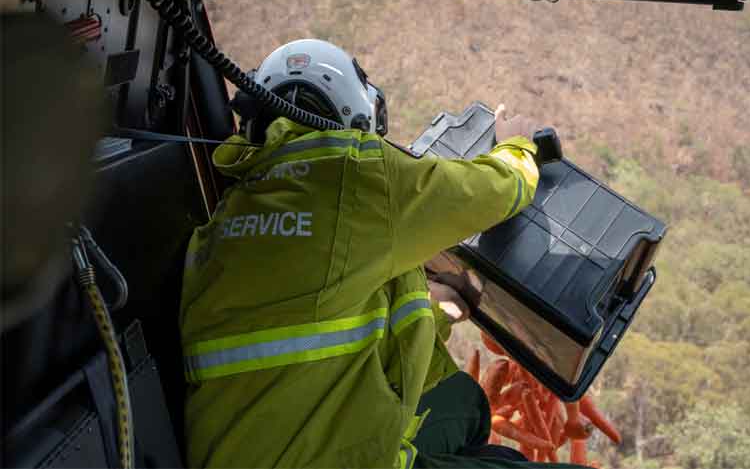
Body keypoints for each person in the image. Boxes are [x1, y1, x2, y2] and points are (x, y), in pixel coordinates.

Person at [180, 39, 587, 468]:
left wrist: (432, 309)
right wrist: (518, 147)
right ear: (355, 114)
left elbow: (316, 318)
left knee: (464, 403)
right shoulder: (350, 176)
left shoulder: (224, 220)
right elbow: (494, 191)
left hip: (242, 451)